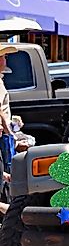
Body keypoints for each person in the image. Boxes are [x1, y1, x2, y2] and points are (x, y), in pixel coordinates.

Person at [0, 44, 17, 215]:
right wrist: (9, 131)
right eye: (4, 57)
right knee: (6, 168)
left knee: (5, 172)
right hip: (2, 134)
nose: (6, 60)